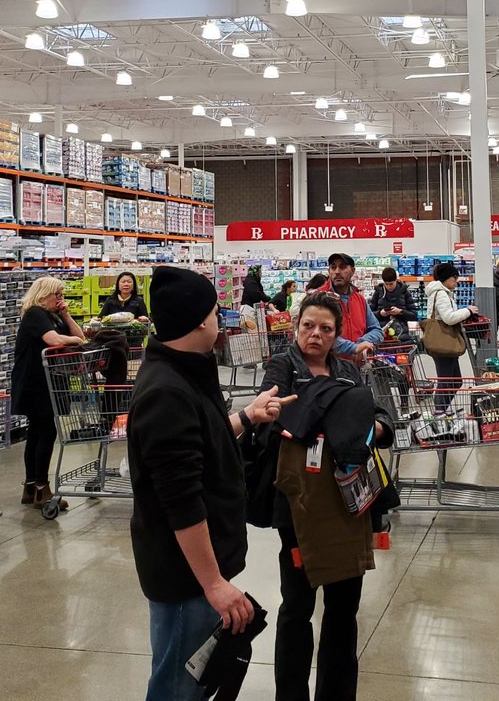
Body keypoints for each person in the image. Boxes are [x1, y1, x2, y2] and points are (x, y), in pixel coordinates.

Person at [127, 266, 292, 701]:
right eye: (217, 311)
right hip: (187, 581)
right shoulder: (166, 393)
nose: (221, 319)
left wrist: (247, 417)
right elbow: (181, 501)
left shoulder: (184, 371)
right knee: (178, 688)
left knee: (194, 685)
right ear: (200, 320)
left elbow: (202, 443)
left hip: (197, 574)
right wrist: (214, 583)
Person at [258, 291, 394, 701]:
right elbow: (268, 424)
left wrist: (375, 429)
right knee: (297, 607)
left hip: (348, 503)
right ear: (296, 327)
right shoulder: (282, 367)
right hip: (298, 506)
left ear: (337, 335)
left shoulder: (348, 370)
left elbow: (379, 415)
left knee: (343, 609)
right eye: (308, 326)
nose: (315, 334)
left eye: (325, 328)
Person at [12, 276, 85, 509]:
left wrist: (66, 315)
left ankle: (31, 488)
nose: (61, 299)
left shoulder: (53, 316)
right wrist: (74, 340)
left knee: (36, 432)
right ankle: (42, 489)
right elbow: (53, 340)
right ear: (44, 295)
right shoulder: (35, 314)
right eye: (58, 295)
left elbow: (81, 336)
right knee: (46, 431)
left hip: (47, 381)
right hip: (35, 383)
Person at [424, 262, 480, 414]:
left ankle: (442, 409)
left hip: (445, 342)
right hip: (442, 342)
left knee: (455, 380)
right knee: (446, 380)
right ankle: (439, 411)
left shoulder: (444, 293)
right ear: (445, 278)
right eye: (454, 278)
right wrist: (468, 311)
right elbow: (448, 318)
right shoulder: (441, 294)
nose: (456, 281)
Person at [320, 253, 383, 362]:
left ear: (353, 271)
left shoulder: (359, 299)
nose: (337, 271)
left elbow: (376, 330)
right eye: (333, 267)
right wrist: (353, 348)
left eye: (342, 267)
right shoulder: (320, 298)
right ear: (329, 271)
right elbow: (322, 334)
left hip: (357, 367)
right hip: (328, 366)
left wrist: (362, 343)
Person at [369, 266, 418, 340]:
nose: (389, 287)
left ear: (396, 280)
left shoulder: (405, 292)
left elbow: (414, 315)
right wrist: (380, 313)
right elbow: (369, 315)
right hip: (382, 335)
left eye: (391, 284)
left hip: (402, 336)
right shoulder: (378, 293)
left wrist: (400, 312)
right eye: (386, 284)